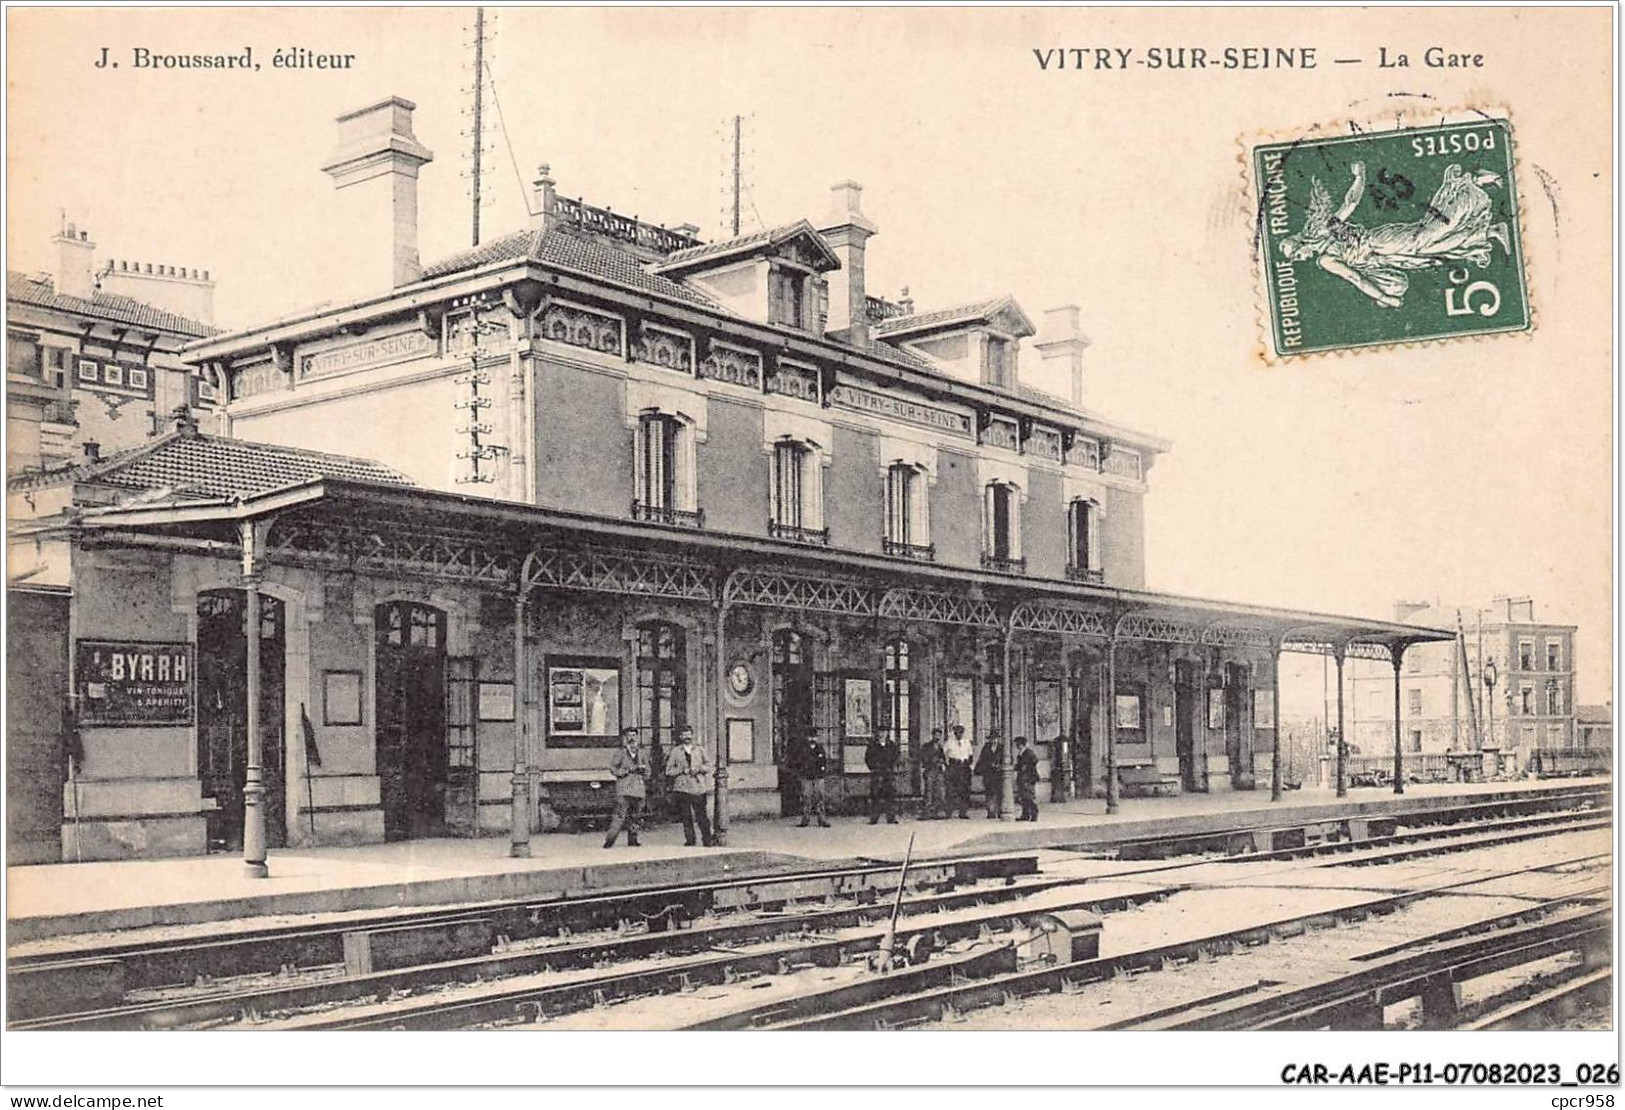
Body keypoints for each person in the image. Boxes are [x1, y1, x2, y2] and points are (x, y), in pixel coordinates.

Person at [666, 725, 714, 847]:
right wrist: (682, 770)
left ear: (692, 735)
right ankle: (690, 840)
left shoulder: (699, 750)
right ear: (680, 737)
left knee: (702, 816)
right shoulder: (676, 752)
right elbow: (669, 770)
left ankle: (707, 840)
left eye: (689, 734)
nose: (687, 737)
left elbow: (709, 766)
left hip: (698, 788)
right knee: (686, 817)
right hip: (682, 789)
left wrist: (698, 769)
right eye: (684, 735)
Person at [603, 727, 648, 848]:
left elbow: (648, 770)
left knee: (636, 816)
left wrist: (644, 771)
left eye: (634, 735)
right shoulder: (620, 752)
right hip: (624, 788)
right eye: (629, 735)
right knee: (619, 816)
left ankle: (633, 840)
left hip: (638, 789)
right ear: (625, 738)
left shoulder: (642, 752)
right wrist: (625, 771)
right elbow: (613, 768)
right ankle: (610, 841)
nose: (632, 738)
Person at [791, 731, 831, 828]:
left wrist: (822, 772)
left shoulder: (820, 749)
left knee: (820, 797)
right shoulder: (803, 749)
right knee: (806, 798)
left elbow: (823, 762)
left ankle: (822, 819)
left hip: (818, 776)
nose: (812, 739)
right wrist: (801, 772)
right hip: (806, 777)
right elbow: (798, 762)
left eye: (814, 737)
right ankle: (805, 819)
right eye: (810, 737)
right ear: (807, 738)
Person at [865, 732, 900, 825]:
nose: (882, 734)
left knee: (890, 795)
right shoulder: (872, 745)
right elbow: (868, 758)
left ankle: (891, 817)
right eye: (880, 732)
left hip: (888, 773)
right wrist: (873, 767)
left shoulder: (892, 745)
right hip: (877, 773)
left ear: (887, 733)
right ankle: (874, 818)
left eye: (884, 732)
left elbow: (896, 756)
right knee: (875, 795)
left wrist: (891, 766)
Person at [943, 723, 974, 819]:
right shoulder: (949, 742)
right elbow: (944, 754)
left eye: (961, 733)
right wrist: (947, 766)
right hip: (953, 766)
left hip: (964, 767)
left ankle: (963, 812)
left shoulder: (967, 742)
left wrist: (970, 767)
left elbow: (970, 755)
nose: (959, 735)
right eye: (957, 733)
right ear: (954, 733)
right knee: (951, 790)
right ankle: (949, 812)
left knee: (964, 790)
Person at [919, 729, 947, 819]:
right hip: (929, 770)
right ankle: (926, 812)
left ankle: (935, 812)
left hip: (938, 771)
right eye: (936, 735)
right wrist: (931, 760)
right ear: (932, 735)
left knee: (937, 791)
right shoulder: (926, 746)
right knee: (928, 791)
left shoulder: (940, 747)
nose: (937, 737)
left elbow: (943, 758)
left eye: (939, 736)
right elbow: (923, 758)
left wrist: (941, 762)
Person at [974, 733, 1004, 819]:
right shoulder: (986, 747)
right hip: (988, 774)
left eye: (996, 739)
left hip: (998, 774)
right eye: (992, 739)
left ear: (998, 739)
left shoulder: (1002, 748)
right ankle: (990, 811)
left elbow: (1006, 759)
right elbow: (982, 759)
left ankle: (999, 810)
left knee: (999, 793)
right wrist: (982, 768)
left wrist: (1000, 765)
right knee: (989, 792)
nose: (994, 740)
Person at [1014, 736, 1040, 822]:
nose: (1016, 746)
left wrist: (1025, 767)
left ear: (1021, 744)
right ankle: (1025, 815)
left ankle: (1034, 814)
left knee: (1029, 796)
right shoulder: (1021, 753)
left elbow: (1034, 761)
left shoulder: (1028, 752)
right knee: (1023, 797)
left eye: (1017, 744)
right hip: (1022, 777)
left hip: (1028, 778)